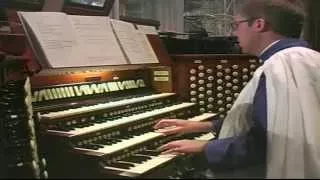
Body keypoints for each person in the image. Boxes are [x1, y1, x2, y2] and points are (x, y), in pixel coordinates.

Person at [153, 0, 320, 178]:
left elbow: (264, 143)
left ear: (258, 24)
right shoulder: (311, 58)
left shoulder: (278, 68)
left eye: (236, 25)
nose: (234, 33)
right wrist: (203, 125)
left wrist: (205, 147)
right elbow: (278, 121)